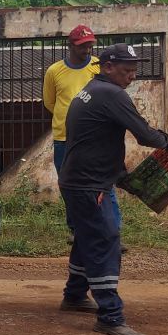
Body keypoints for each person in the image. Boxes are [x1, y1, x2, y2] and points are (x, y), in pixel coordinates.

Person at [58, 43, 168, 335]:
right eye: (126, 70)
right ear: (107, 67)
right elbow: (146, 135)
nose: (131, 76)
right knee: (106, 240)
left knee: (87, 237)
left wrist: (117, 173)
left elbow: (94, 140)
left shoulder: (90, 90)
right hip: (89, 184)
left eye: (134, 70)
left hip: (79, 180)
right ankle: (110, 315)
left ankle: (74, 295)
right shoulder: (111, 94)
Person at [43, 24, 120, 230]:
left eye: (89, 45)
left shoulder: (99, 66)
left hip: (95, 138)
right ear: (70, 45)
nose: (86, 49)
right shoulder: (54, 71)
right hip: (64, 137)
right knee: (69, 186)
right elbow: (50, 102)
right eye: (81, 46)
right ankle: (76, 229)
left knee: (104, 185)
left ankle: (112, 229)